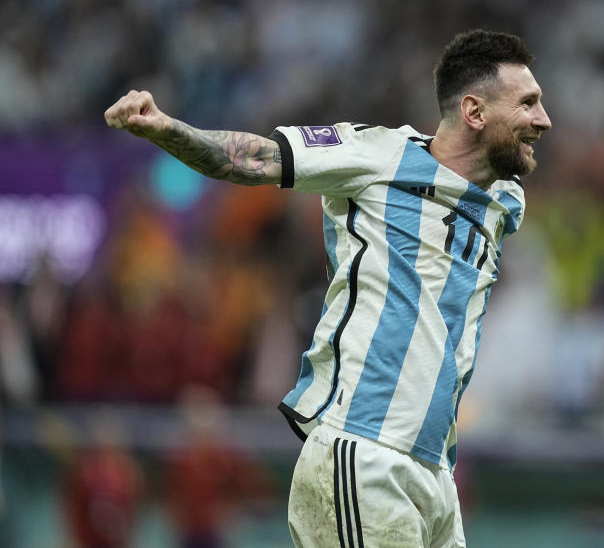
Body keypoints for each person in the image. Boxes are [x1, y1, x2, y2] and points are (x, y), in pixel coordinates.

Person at [104, 29, 551, 547]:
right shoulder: (378, 155)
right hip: (365, 452)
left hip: (435, 476)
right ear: (475, 112)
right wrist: (164, 128)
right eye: (528, 103)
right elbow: (254, 159)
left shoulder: (504, 202)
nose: (543, 120)